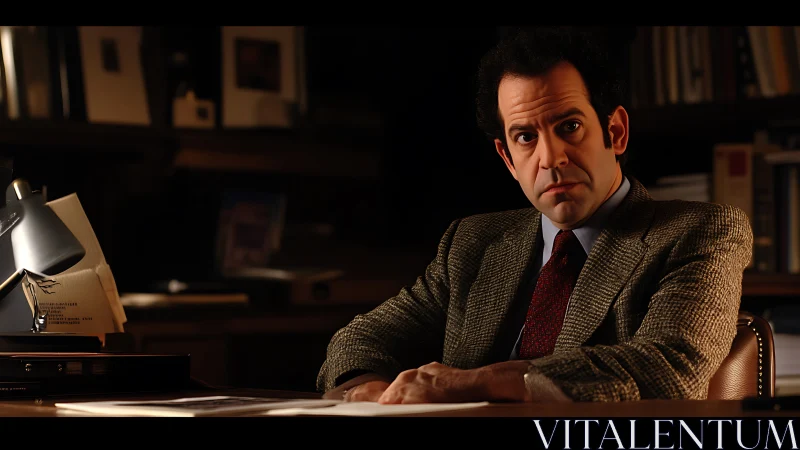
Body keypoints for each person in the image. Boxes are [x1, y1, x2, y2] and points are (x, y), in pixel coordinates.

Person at [316, 26, 753, 404]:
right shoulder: (473, 242)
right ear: (507, 158)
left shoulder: (701, 231)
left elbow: (668, 367)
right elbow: (357, 339)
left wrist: (480, 383)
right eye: (526, 137)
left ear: (614, 131)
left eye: (569, 127)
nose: (550, 157)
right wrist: (366, 392)